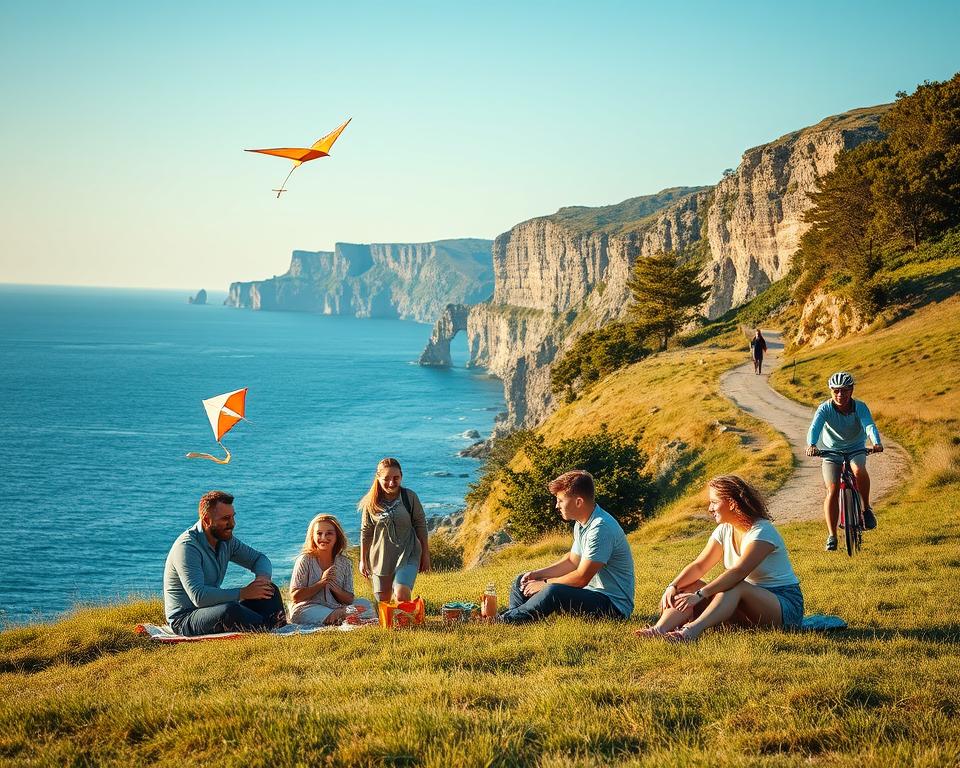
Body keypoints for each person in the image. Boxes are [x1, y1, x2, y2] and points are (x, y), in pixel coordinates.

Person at [635, 475, 803, 642]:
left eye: (714, 502)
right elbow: (699, 565)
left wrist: (700, 595)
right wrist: (673, 586)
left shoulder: (762, 532)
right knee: (689, 584)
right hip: (741, 605)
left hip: (784, 607)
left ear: (732, 503)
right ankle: (658, 630)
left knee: (735, 585)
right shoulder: (725, 529)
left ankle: (689, 632)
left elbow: (738, 572)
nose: (710, 508)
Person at [500, 470, 635, 624]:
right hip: (589, 594)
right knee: (521, 580)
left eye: (560, 501)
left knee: (553, 591)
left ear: (578, 502)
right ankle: (515, 618)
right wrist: (536, 575)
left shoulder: (600, 528)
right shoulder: (582, 523)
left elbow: (581, 578)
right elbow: (572, 561)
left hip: (613, 607)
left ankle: (505, 620)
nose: (556, 506)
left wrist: (544, 584)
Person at [163, 490, 286, 636]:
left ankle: (269, 625)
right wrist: (244, 593)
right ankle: (271, 626)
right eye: (225, 518)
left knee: (269, 590)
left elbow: (259, 559)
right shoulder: (187, 548)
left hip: (213, 608)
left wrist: (262, 580)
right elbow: (199, 597)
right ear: (207, 520)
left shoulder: (225, 540)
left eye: (233, 517)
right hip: (185, 618)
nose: (232, 524)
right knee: (230, 610)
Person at [805, 371, 884, 551]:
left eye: (845, 390)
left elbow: (869, 425)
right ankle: (832, 536)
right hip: (831, 451)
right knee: (832, 490)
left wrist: (876, 442)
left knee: (858, 470)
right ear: (831, 391)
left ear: (851, 390)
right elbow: (814, 427)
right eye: (836, 391)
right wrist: (811, 444)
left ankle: (866, 509)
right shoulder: (825, 408)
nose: (840, 394)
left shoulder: (860, 407)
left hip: (856, 447)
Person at [358, 457, 431, 602]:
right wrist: (363, 560)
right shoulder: (371, 502)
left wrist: (425, 554)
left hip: (408, 554)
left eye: (396, 478)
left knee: (401, 593)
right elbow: (366, 532)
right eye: (386, 479)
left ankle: (407, 617)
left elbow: (421, 526)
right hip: (381, 558)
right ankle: (405, 616)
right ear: (378, 478)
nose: (391, 483)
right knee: (383, 602)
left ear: (401, 476)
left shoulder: (409, 497)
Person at [289, 513, 372, 625]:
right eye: (319, 533)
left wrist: (336, 589)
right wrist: (322, 582)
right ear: (312, 536)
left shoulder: (345, 562)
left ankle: (341, 616)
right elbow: (295, 597)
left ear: (337, 536)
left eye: (329, 533)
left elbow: (349, 599)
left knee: (366, 604)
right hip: (309, 608)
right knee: (303, 613)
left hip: (337, 606)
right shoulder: (305, 560)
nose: (323, 538)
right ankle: (342, 616)